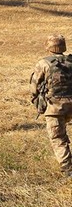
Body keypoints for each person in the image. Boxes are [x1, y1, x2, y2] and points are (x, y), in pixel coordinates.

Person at [30, 34, 72, 178]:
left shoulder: (43, 63)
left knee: (58, 137)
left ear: (48, 46)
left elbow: (34, 85)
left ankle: (67, 169)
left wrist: (35, 100)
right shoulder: (71, 61)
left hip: (54, 107)